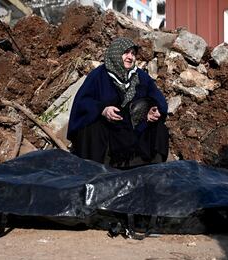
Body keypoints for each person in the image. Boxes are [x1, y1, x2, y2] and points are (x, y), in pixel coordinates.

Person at [67, 37, 169, 168]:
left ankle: (150, 168)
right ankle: (95, 169)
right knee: (92, 126)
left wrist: (153, 110)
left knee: (159, 128)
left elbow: (157, 98)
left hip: (134, 128)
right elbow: (83, 102)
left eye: (133, 53)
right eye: (126, 52)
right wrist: (102, 110)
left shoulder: (141, 77)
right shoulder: (98, 76)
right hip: (109, 130)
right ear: (116, 53)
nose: (130, 57)